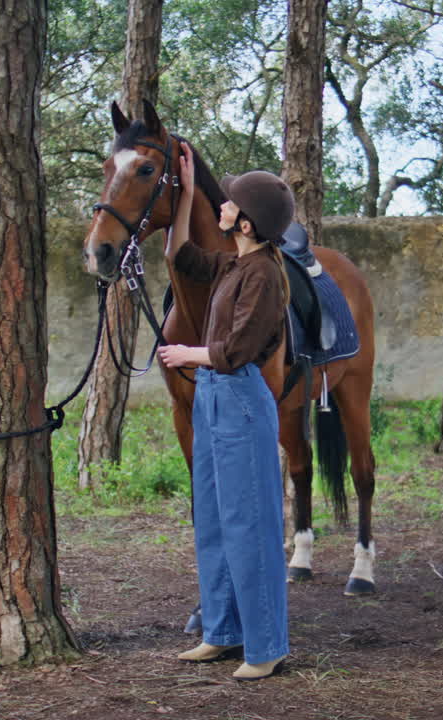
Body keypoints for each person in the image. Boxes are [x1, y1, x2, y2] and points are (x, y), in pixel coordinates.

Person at [157, 141, 291, 681]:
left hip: (238, 396)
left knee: (248, 521)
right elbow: (180, 258)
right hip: (212, 395)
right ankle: (223, 631)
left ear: (249, 222)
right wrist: (187, 192)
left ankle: (267, 645)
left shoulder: (262, 275)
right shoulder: (234, 264)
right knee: (212, 518)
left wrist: (186, 353)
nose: (223, 206)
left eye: (230, 202)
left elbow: (237, 350)